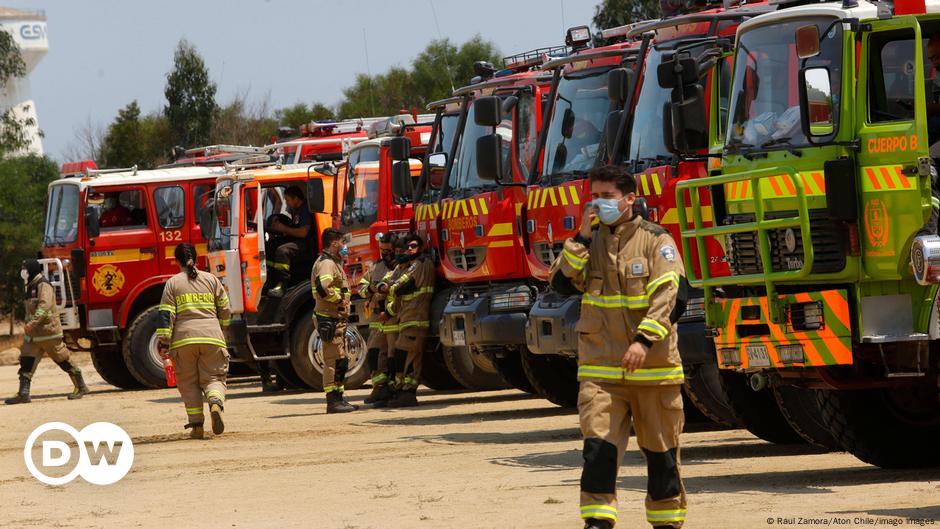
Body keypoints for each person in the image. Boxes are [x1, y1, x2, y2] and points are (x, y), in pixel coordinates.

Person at [548, 165, 688, 529]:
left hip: (653, 370)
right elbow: (562, 284)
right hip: (600, 371)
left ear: (629, 198)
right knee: (598, 451)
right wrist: (579, 237)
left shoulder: (657, 240)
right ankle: (597, 520)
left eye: (607, 196)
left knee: (662, 457)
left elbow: (673, 296)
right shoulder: (587, 241)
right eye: (595, 196)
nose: (599, 203)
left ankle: (667, 521)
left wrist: (644, 340)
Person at [157, 243, 231, 439]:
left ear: (177, 261)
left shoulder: (173, 283)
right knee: (214, 378)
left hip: (184, 341)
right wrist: (222, 329)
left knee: (188, 383)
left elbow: (166, 315)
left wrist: (164, 341)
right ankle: (215, 402)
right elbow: (225, 309)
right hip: (212, 337)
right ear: (197, 259)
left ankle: (197, 426)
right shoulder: (212, 280)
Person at [5, 259, 89, 404]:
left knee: (62, 359)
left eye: (24, 268)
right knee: (26, 361)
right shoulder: (30, 285)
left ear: (31, 269)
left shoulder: (43, 285)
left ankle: (80, 386)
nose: (23, 271)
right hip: (33, 335)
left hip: (48, 332)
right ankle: (23, 394)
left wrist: (32, 323)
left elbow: (44, 307)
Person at [380, 233, 434, 408]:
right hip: (407, 318)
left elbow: (401, 285)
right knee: (402, 355)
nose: (409, 250)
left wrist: (388, 287)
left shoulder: (421, 264)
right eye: (407, 247)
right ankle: (402, 390)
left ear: (420, 247)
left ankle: (408, 391)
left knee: (408, 355)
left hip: (416, 319)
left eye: (413, 246)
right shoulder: (408, 264)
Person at [311, 228, 358, 414]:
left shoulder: (333, 262)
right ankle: (332, 401)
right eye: (342, 242)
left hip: (336, 318)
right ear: (334, 243)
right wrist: (340, 300)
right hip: (328, 317)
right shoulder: (326, 264)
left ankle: (339, 398)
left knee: (341, 360)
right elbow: (323, 288)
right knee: (333, 360)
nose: (344, 246)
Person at [360, 232, 398, 406]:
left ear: (396, 249)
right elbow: (361, 287)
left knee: (393, 356)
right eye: (381, 249)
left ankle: (393, 390)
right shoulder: (376, 267)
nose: (384, 253)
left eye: (388, 250)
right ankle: (379, 387)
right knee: (374, 354)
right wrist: (371, 289)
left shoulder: (401, 268)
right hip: (376, 317)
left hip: (394, 318)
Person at [267, 186, 313, 297]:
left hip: (306, 243)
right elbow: (294, 226)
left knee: (282, 251)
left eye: (287, 200)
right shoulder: (297, 210)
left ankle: (282, 285)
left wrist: (283, 228)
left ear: (296, 199)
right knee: (270, 245)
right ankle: (271, 279)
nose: (286, 203)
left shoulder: (305, 209)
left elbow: (303, 233)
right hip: (297, 240)